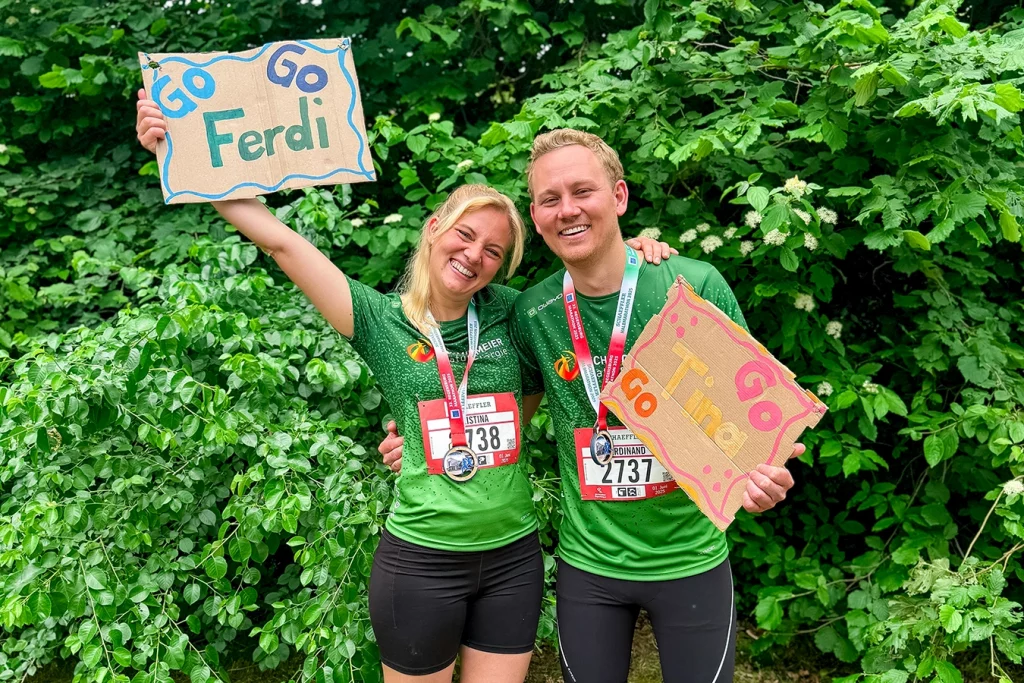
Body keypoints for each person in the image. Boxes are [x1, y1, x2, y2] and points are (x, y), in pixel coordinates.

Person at [135, 97, 675, 683]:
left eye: (494, 251)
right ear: (433, 228)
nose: (474, 255)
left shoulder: (516, 316)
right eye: (466, 236)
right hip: (422, 561)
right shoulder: (376, 318)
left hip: (513, 559)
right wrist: (183, 155)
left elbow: (573, 337)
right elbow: (281, 242)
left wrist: (646, 254)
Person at [380, 129, 804, 683]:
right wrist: (422, 440)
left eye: (583, 191)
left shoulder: (689, 285)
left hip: (691, 560)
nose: (568, 210)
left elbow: (747, 436)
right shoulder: (535, 310)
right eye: (550, 199)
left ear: (620, 197)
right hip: (588, 571)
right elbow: (504, 414)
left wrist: (761, 481)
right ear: (536, 217)